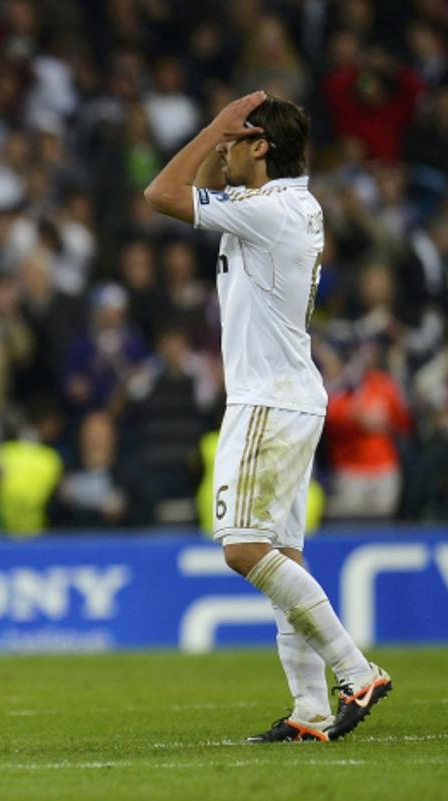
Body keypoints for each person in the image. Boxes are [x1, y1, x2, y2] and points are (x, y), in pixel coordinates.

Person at [144, 91, 391, 743]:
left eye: (233, 143)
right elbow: (192, 196)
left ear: (259, 146)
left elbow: (161, 195)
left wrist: (207, 129)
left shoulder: (269, 210)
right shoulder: (287, 207)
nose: (220, 154)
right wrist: (218, 141)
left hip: (266, 400)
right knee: (282, 554)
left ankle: (353, 669)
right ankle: (310, 707)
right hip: (286, 393)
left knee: (243, 548)